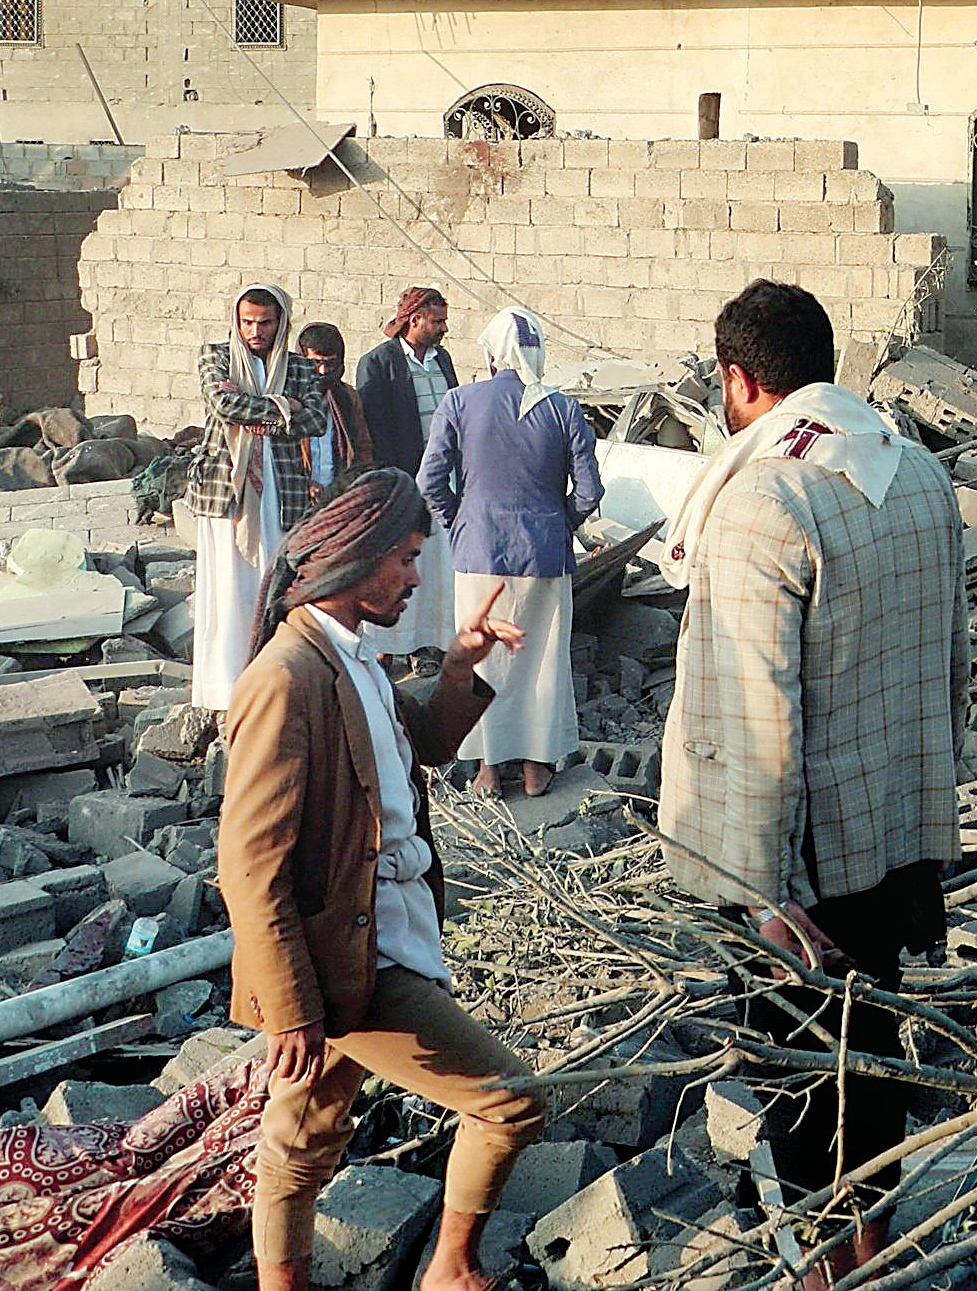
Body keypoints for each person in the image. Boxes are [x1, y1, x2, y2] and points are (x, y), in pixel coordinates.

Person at [657, 281, 964, 1284]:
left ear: (739, 381)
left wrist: (760, 890)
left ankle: (831, 1274)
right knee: (870, 1067)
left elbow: (754, 722)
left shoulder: (761, 500)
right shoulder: (912, 470)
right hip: (897, 838)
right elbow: (954, 664)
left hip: (807, 866)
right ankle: (873, 1262)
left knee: (800, 1086)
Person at [217, 467, 543, 1291]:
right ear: (356, 558)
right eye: (404, 557)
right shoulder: (287, 678)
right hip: (352, 959)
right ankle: (452, 1269)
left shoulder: (351, 660)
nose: (414, 576)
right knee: (510, 1100)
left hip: (384, 932)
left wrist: (463, 663)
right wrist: (290, 1005)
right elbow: (250, 868)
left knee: (300, 1140)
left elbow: (422, 740)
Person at [420, 308, 602, 799]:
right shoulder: (563, 408)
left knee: (482, 661)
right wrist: (560, 524)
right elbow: (589, 490)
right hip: (544, 554)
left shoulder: (459, 401)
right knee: (541, 661)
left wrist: (460, 524)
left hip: (478, 550)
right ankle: (536, 767)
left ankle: (487, 769)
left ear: (491, 355)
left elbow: (430, 481)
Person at [186, 285, 328, 713]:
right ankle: (225, 691)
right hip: (226, 495)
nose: (255, 331)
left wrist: (266, 411)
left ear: (281, 322)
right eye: (247, 322)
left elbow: (317, 419)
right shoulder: (216, 355)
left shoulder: (300, 367)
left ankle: (273, 684)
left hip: (281, 495)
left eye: (265, 323)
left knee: (275, 584)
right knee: (228, 590)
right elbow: (223, 404)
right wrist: (282, 409)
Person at [357, 287, 461, 660]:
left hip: (443, 482)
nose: (444, 328)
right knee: (401, 564)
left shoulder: (442, 360)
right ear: (415, 320)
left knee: (439, 565)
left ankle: (432, 644)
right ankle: (391, 646)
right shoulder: (378, 363)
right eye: (438, 321)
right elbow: (373, 430)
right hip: (403, 482)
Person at [293, 323, 373, 501]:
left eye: (329, 363)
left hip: (337, 496)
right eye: (315, 363)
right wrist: (303, 484)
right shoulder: (289, 395)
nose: (322, 371)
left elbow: (363, 448)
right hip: (294, 496)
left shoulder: (348, 398)